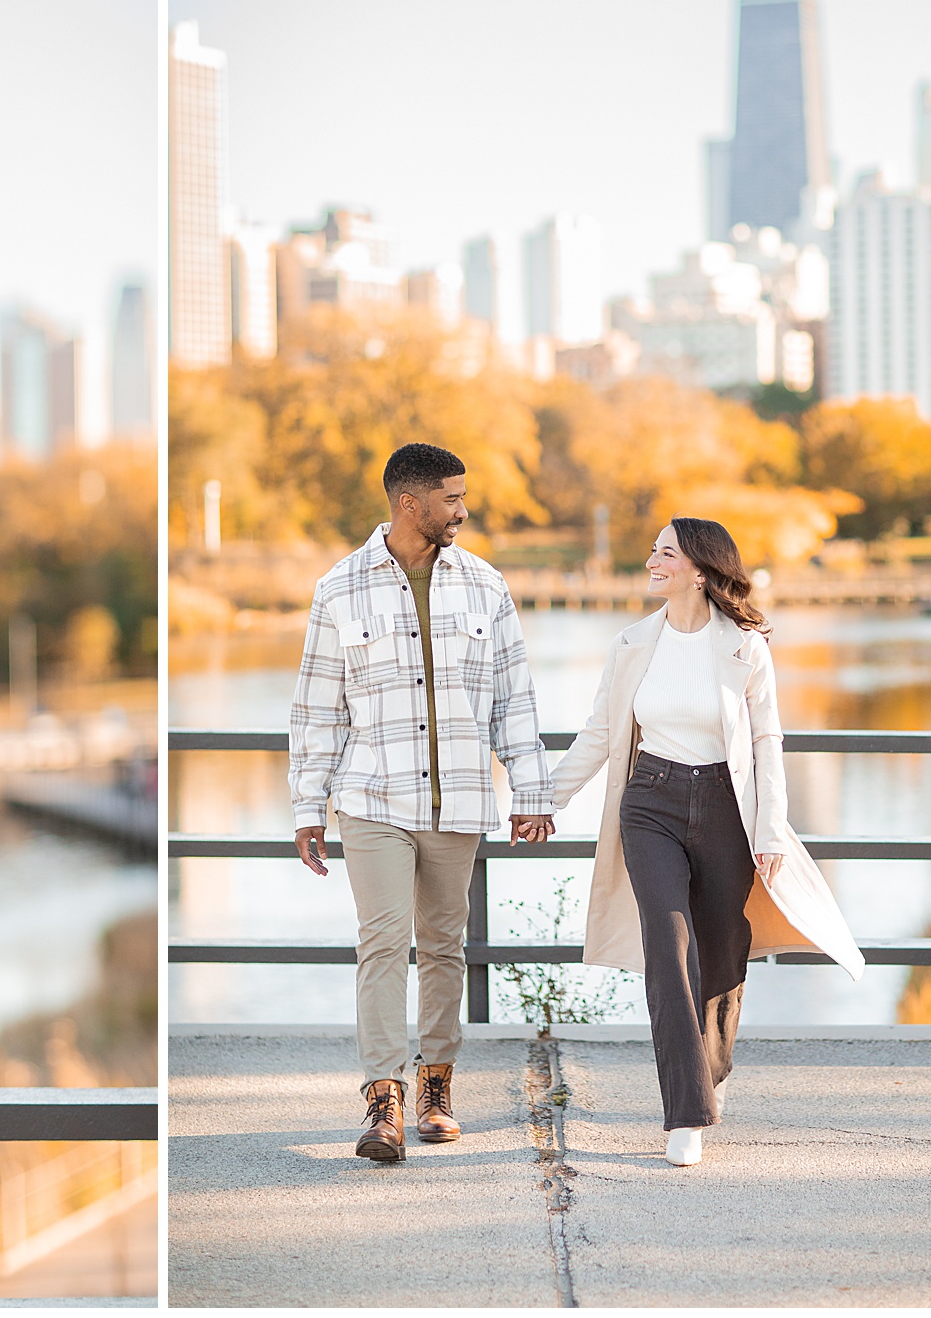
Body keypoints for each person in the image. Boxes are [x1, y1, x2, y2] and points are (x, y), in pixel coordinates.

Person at [545, 517, 865, 1167]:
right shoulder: (632, 644)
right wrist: (541, 802)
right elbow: (597, 736)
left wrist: (771, 826)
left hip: (727, 808)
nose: (651, 561)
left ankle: (707, 1069)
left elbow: (769, 741)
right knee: (669, 948)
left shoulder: (745, 648)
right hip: (650, 804)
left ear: (699, 569)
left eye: (666, 553)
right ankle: (685, 1114)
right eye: (654, 551)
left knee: (723, 954)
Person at [291, 441, 555, 1161]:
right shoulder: (339, 589)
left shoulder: (486, 586)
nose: (463, 511)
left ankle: (437, 1086)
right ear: (410, 504)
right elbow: (317, 711)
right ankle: (384, 1101)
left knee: (444, 946)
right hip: (372, 796)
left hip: (460, 797)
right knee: (382, 940)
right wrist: (307, 806)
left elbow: (515, 701)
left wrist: (532, 789)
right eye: (451, 499)